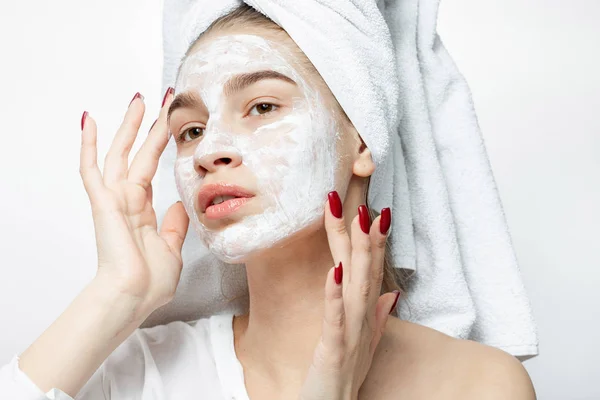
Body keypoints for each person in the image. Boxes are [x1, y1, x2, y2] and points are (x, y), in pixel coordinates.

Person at [1, 4, 536, 399]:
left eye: (261, 105)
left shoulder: (477, 385)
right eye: (190, 130)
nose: (210, 150)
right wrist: (118, 292)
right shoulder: (130, 373)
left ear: (363, 139)